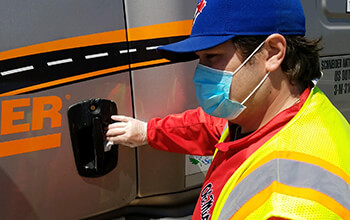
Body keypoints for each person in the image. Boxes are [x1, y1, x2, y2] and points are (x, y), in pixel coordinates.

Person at [107, 0, 350, 219]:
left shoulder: (290, 201)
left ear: (273, 52)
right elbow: (208, 126)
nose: (199, 73)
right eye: (199, 59)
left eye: (212, 57)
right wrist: (147, 132)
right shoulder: (269, 113)